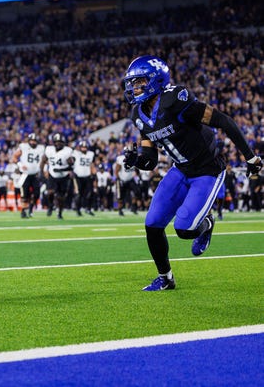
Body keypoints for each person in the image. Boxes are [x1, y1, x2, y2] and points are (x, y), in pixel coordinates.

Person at [121, 55, 262, 291]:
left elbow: (223, 121)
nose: (134, 88)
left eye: (140, 82)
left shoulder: (176, 99)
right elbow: (151, 160)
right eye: (132, 83)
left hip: (207, 169)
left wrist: (251, 157)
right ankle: (165, 278)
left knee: (185, 230)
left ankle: (206, 223)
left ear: (156, 80)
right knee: (152, 223)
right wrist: (137, 160)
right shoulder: (138, 115)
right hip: (180, 170)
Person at [42, 133, 74, 220]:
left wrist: (70, 162)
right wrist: (42, 171)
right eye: (56, 142)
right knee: (50, 192)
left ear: (64, 143)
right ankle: (50, 206)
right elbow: (43, 160)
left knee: (61, 197)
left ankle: (59, 212)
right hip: (52, 174)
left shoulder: (67, 151)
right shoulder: (49, 149)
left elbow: (71, 164)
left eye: (60, 142)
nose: (58, 144)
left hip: (63, 176)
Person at [12, 133, 45, 218]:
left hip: (35, 174)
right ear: (29, 141)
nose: (33, 142)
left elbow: (45, 160)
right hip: (25, 174)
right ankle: (23, 211)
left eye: (34, 141)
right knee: (24, 194)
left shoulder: (41, 148)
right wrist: (20, 164)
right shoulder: (23, 147)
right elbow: (14, 157)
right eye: (31, 140)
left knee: (37, 193)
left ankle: (30, 209)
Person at [72, 140, 96, 216]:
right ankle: (77, 210)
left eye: (85, 147)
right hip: (78, 177)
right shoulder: (76, 153)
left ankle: (88, 209)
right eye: (82, 147)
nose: (84, 149)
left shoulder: (90, 154)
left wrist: (94, 173)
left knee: (90, 193)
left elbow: (92, 164)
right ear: (79, 148)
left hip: (87, 176)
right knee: (79, 194)